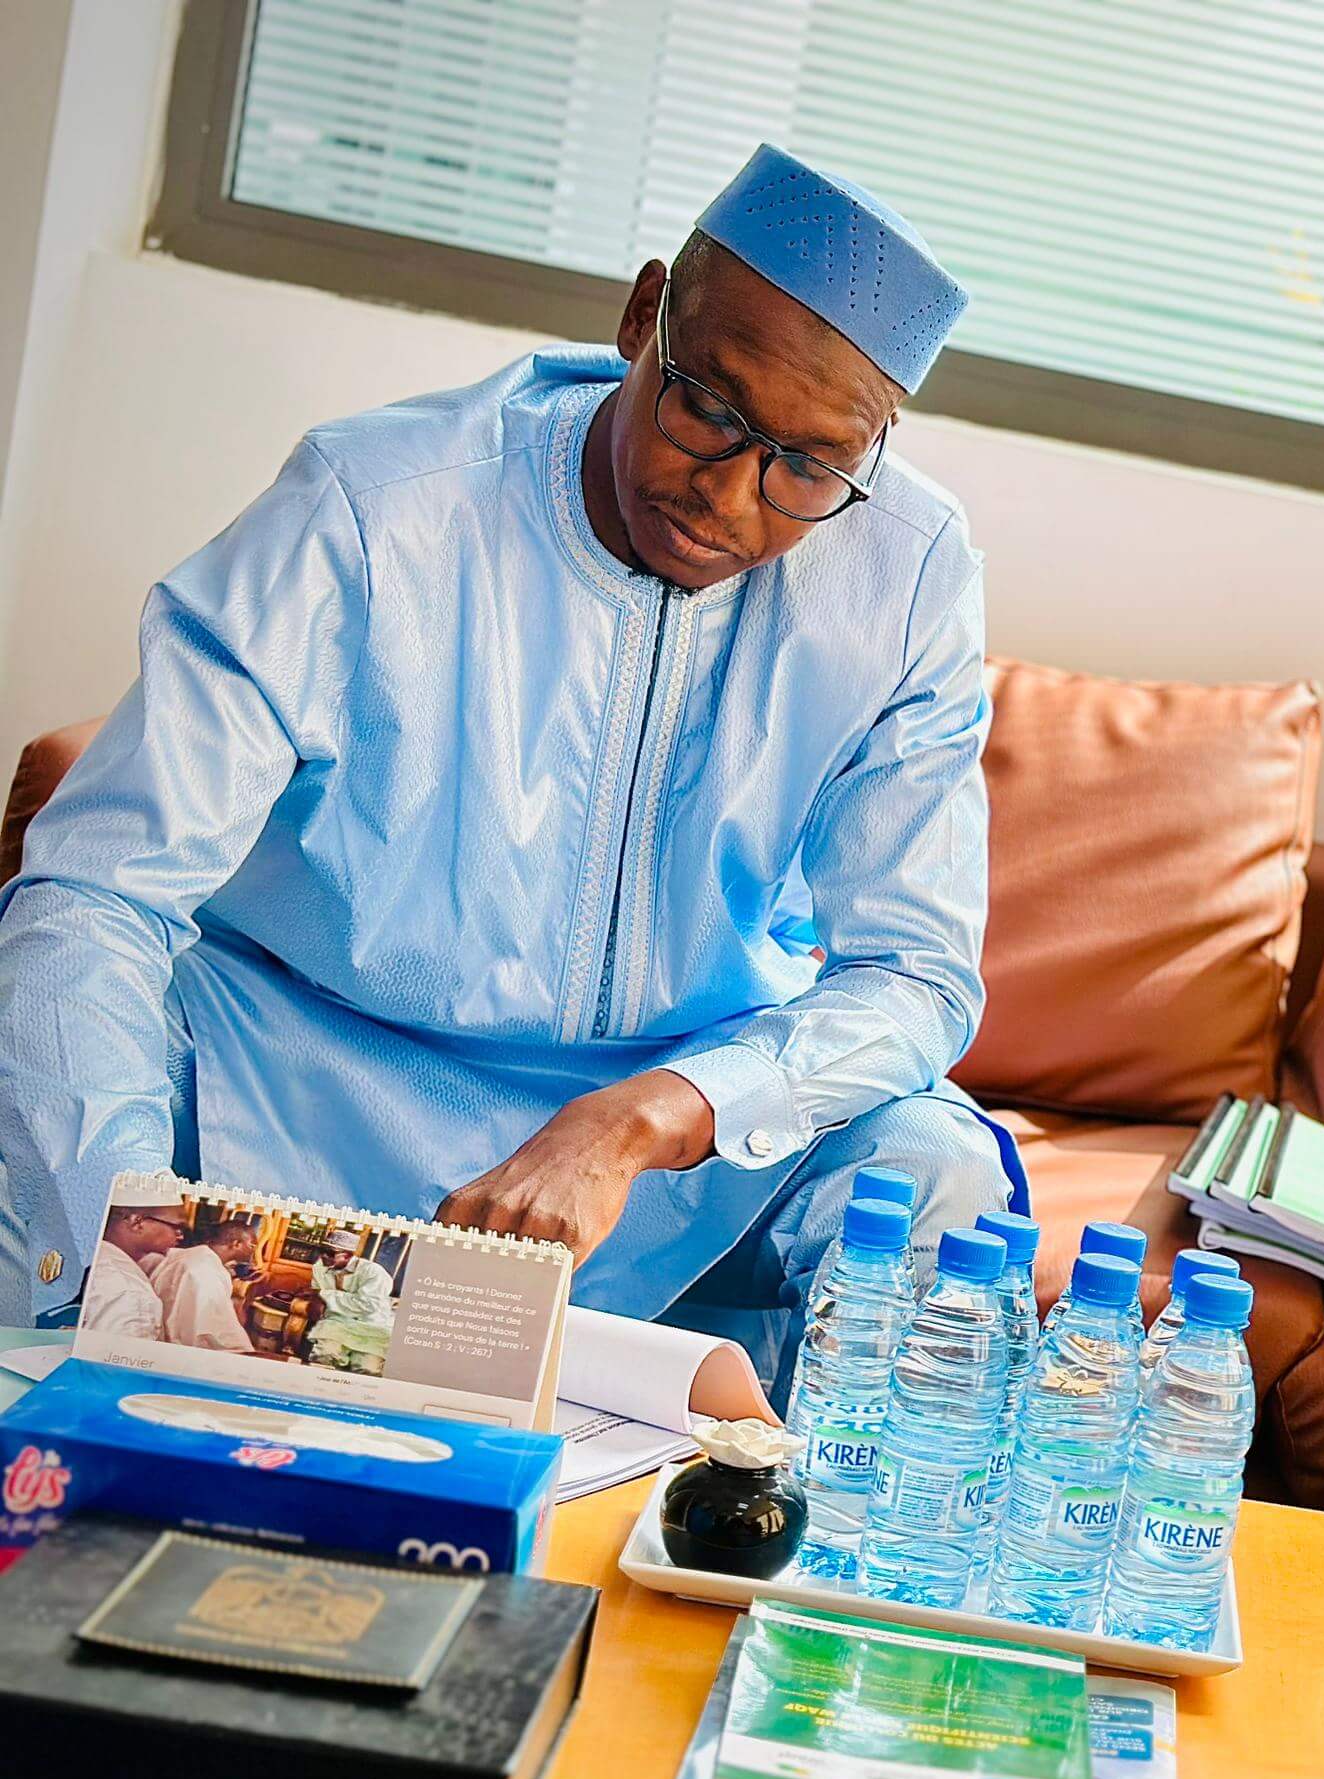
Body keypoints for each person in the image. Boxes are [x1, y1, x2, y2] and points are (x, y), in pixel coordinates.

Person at [0, 145, 1023, 1384]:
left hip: (675, 1148)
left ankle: (765, 1502)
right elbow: (100, 887)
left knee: (935, 1167)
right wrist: (122, 1242)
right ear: (645, 316)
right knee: (55, 1076)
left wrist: (649, 1115)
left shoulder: (908, 574)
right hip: (296, 1082)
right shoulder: (376, 505)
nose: (731, 497)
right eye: (710, 410)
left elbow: (914, 975)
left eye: (807, 466)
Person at [151, 1215, 261, 1353]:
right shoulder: (207, 1272)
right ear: (236, 1244)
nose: (253, 1251)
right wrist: (244, 1350)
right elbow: (215, 1331)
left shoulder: (193, 1255)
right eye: (252, 1245)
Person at [79, 1204, 185, 1343]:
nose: (181, 1236)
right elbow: (113, 1355)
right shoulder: (131, 1293)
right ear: (137, 1222)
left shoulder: (97, 1257)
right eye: (177, 1227)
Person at [309, 1230, 394, 1331]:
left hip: (368, 1326)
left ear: (347, 1255)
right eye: (321, 1250)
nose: (323, 1256)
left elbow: (366, 1306)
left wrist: (322, 1294)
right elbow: (316, 1294)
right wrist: (317, 1298)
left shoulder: (373, 1272)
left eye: (330, 1253)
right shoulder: (319, 1267)